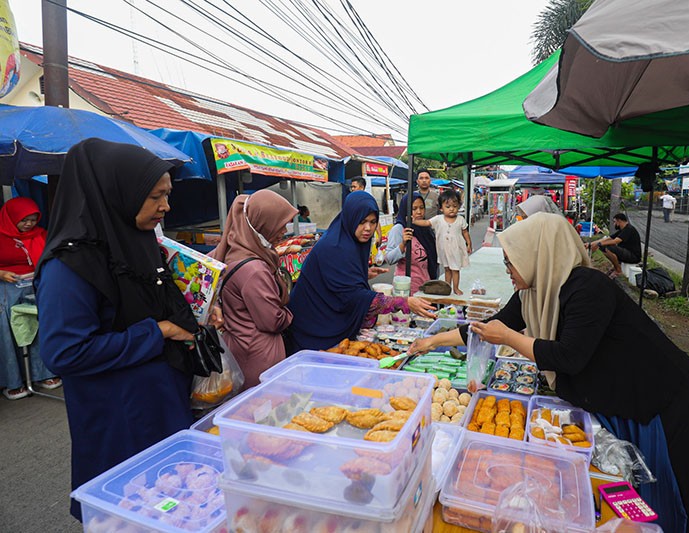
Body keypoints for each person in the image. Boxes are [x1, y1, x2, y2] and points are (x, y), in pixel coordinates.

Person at [409, 213, 689, 533]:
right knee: (634, 490)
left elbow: (568, 357)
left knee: (675, 491)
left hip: (663, 398)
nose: (508, 270)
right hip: (621, 397)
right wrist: (430, 341)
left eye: (511, 261)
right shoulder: (533, 292)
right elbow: (488, 328)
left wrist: (510, 338)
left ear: (537, 254)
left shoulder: (588, 287)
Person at [35, 139, 215, 521]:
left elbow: (155, 302)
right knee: (130, 511)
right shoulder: (69, 266)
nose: (166, 207)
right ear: (119, 193)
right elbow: (65, 352)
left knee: (178, 508)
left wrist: (193, 318)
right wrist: (160, 331)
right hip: (120, 421)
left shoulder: (138, 242)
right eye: (156, 197)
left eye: (167, 195)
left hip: (163, 407)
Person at [286, 191, 436, 352]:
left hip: (327, 324)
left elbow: (337, 279)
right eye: (362, 222)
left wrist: (362, 274)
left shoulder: (351, 242)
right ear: (351, 218)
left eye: (373, 222)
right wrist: (402, 302)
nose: (368, 228)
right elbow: (351, 295)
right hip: (314, 328)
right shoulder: (334, 248)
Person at [210, 191, 297, 389]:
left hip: (241, 345)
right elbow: (272, 320)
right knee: (261, 409)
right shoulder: (254, 270)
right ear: (263, 223)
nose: (284, 229)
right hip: (258, 356)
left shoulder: (233, 250)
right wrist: (288, 313)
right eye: (280, 223)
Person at [0, 197, 60, 400]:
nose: (29, 224)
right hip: (7, 283)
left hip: (37, 282)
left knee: (44, 320)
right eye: (24, 219)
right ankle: (14, 380)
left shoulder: (41, 234)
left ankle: (45, 373)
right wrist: (1, 274)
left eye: (33, 219)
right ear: (10, 218)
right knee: (8, 321)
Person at [413, 189, 472, 295]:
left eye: (455, 206)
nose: (452, 209)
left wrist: (469, 244)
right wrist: (414, 221)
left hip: (455, 249)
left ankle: (456, 288)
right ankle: (447, 287)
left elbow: (465, 232)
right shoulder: (438, 219)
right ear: (441, 208)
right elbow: (426, 222)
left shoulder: (460, 219)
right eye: (448, 207)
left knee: (455, 269)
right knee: (447, 269)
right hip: (443, 249)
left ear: (458, 206)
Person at [385, 193, 437, 294]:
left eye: (422, 208)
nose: (419, 212)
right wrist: (403, 245)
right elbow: (389, 259)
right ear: (406, 209)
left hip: (426, 287)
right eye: (414, 209)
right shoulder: (399, 229)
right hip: (406, 290)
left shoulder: (425, 228)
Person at [589, 213, 641, 278]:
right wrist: (590, 244)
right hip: (627, 253)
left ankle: (618, 270)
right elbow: (608, 238)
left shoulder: (629, 229)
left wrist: (599, 244)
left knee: (608, 248)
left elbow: (615, 241)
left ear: (619, 221)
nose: (614, 224)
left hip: (633, 256)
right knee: (603, 247)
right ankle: (616, 267)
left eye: (614, 222)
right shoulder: (622, 230)